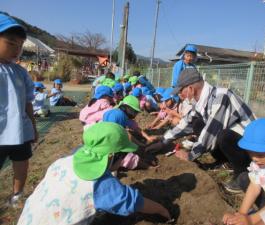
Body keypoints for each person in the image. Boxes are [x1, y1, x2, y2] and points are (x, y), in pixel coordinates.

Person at [17, 122, 171, 225]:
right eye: (124, 155)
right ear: (112, 156)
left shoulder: (63, 161)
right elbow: (134, 202)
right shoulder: (99, 184)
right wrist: (162, 210)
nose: (125, 159)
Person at [153, 68, 256, 191]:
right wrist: (164, 140)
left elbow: (211, 131)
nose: (180, 95)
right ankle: (224, 160)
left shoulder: (221, 96)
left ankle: (242, 174)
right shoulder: (202, 101)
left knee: (224, 135)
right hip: (237, 144)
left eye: (181, 91)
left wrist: (190, 155)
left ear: (191, 89)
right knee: (198, 124)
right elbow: (186, 123)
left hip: (252, 149)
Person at [0, 13, 37, 207]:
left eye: (20, 45)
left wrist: (33, 126)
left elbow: (28, 102)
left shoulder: (20, 72)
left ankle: (17, 195)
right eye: (11, 43)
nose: (17, 50)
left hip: (20, 130)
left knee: (21, 163)